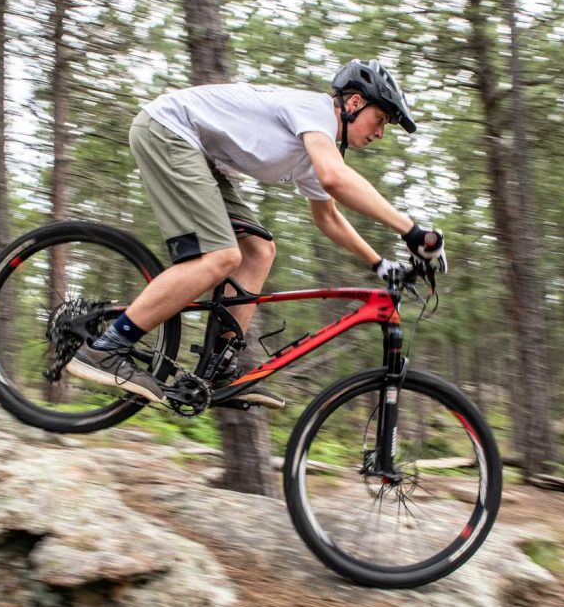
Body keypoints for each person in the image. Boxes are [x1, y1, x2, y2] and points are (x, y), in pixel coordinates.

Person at [67, 59, 445, 407]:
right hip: (168, 131)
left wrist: (380, 264)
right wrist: (412, 231)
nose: (381, 133)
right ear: (354, 103)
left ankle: (216, 370)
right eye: (379, 120)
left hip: (198, 153)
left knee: (259, 251)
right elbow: (335, 180)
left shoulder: (320, 147)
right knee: (220, 257)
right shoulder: (316, 113)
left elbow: (327, 216)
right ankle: (107, 348)